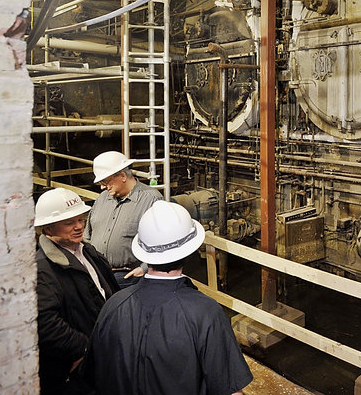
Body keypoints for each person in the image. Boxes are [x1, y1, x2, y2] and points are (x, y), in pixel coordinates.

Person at [83, 200, 253, 395]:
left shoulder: (114, 305)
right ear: (189, 249)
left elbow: (91, 376)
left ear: (143, 252)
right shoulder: (205, 312)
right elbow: (229, 389)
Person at [35, 188, 119, 395]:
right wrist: (86, 349)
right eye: (69, 223)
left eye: (81, 220)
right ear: (47, 227)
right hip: (74, 374)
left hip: (104, 358)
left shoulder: (87, 251)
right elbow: (45, 323)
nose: (79, 227)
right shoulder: (42, 269)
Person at [85, 150, 163, 287]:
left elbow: (162, 240)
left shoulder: (151, 199)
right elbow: (87, 234)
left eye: (105, 181)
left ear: (122, 176)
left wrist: (144, 269)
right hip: (98, 274)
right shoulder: (102, 198)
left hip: (130, 278)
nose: (103, 186)